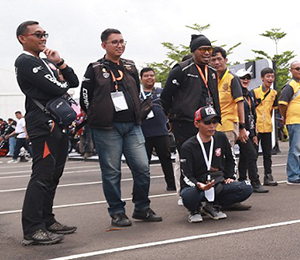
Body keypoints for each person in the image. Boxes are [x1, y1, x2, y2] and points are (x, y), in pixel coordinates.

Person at [82, 28, 161, 227]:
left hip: (132, 125)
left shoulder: (130, 66)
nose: (120, 45)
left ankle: (142, 208)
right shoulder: (95, 68)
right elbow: (85, 97)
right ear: (104, 45)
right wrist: (95, 115)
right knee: (112, 172)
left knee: (143, 167)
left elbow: (135, 88)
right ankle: (117, 212)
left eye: (122, 41)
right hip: (107, 127)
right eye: (114, 42)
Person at [15, 20, 79, 245]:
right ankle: (33, 228)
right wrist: (60, 83)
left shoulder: (46, 63)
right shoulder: (25, 62)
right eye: (38, 34)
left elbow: (73, 81)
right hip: (42, 124)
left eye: (45, 34)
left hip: (57, 123)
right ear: (23, 38)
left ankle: (47, 219)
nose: (43, 38)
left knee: (54, 174)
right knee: (41, 175)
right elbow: (57, 88)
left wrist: (59, 62)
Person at [161, 35, 221, 186]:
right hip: (185, 122)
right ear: (194, 51)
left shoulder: (212, 72)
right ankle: (187, 193)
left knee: (206, 157)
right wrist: (172, 117)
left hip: (207, 122)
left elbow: (214, 96)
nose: (207, 53)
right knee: (188, 158)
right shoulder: (181, 69)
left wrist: (217, 117)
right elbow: (166, 97)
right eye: (203, 49)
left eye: (209, 49)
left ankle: (208, 193)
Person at [179, 106, 253, 223]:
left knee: (246, 188)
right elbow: (186, 175)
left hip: (217, 182)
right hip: (197, 185)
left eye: (215, 122)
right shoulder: (188, 146)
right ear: (197, 124)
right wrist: (199, 185)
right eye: (207, 122)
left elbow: (231, 159)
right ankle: (195, 209)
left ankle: (214, 205)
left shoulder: (221, 137)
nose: (212, 126)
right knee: (188, 196)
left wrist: (230, 177)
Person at [140, 67, 177, 192]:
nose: (149, 78)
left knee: (166, 158)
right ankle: (142, 187)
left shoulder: (162, 92)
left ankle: (171, 184)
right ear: (141, 79)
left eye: (152, 75)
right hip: (143, 132)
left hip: (161, 131)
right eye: (146, 76)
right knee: (144, 162)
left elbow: (171, 107)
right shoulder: (137, 94)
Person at [236, 68, 268, 194]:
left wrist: (254, 133)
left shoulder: (250, 95)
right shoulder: (235, 94)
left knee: (245, 155)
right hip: (237, 129)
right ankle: (254, 181)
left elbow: (252, 115)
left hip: (248, 130)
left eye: (247, 78)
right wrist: (240, 128)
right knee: (251, 154)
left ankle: (243, 179)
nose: (245, 80)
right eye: (242, 78)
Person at [211, 46, 247, 148]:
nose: (216, 62)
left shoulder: (232, 79)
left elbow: (240, 103)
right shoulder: (210, 78)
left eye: (219, 59)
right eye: (213, 60)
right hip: (212, 126)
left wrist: (242, 126)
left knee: (227, 158)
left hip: (228, 125)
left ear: (225, 60)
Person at [253, 67, 279, 186]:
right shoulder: (255, 92)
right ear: (262, 78)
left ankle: (268, 176)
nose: (270, 79)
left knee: (267, 154)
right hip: (256, 128)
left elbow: (271, 111)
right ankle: (254, 178)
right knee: (253, 154)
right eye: (267, 76)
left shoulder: (274, 94)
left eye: (272, 76)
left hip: (268, 128)